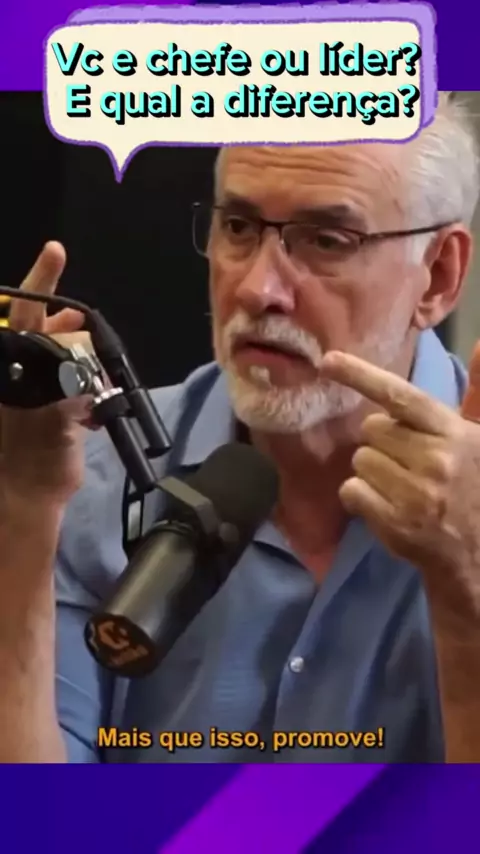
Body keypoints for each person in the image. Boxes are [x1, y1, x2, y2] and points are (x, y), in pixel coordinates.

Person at [1, 92, 480, 764]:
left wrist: (467, 591)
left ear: (438, 277)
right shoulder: (88, 476)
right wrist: (22, 511)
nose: (258, 289)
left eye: (326, 240)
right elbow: (42, 815)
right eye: (239, 227)